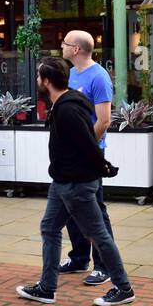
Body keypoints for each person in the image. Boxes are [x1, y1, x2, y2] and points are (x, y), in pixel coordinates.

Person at [16, 57, 136, 306]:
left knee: (98, 235)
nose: (37, 80)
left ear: (47, 82)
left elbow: (86, 143)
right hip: (63, 181)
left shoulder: (68, 109)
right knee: (49, 228)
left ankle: (123, 288)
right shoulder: (67, 102)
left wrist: (102, 165)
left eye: (39, 77)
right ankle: (47, 288)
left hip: (76, 184)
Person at [58, 31, 115, 288]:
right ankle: (79, 258)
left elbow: (104, 120)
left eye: (65, 43)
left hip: (90, 152)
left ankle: (104, 266)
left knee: (95, 210)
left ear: (77, 49)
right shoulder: (69, 74)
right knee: (71, 206)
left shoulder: (98, 77)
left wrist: (84, 144)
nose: (62, 46)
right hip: (70, 153)